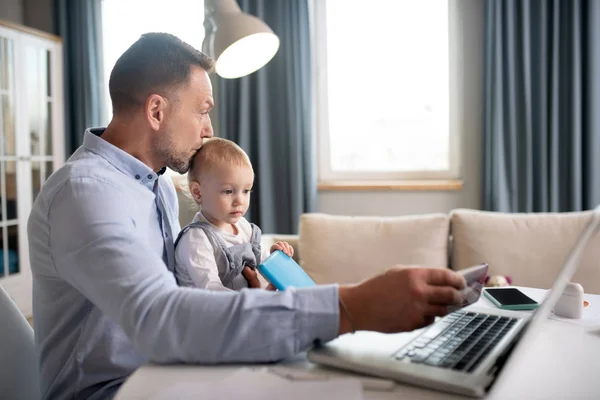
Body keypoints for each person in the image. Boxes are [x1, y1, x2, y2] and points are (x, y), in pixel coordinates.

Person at [27, 32, 466, 400]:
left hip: (169, 370)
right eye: (202, 110)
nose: (208, 129)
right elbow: (159, 317)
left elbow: (184, 291)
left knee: (340, 383)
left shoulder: (157, 182)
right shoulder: (85, 192)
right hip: (116, 390)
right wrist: (350, 305)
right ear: (157, 111)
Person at [174, 137, 294, 291]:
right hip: (210, 313)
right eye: (228, 191)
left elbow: (262, 270)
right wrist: (258, 300)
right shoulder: (196, 239)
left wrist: (274, 260)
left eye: (246, 191)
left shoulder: (243, 226)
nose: (240, 200)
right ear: (198, 192)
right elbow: (212, 291)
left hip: (243, 308)